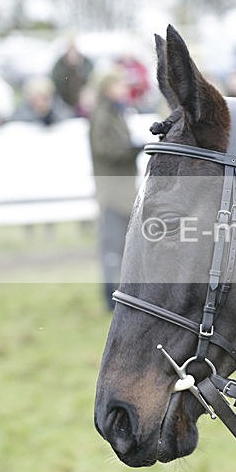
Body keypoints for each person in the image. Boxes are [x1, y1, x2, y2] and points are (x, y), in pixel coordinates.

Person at [88, 69, 141, 310]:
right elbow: (104, 150)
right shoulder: (102, 115)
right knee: (112, 244)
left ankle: (122, 293)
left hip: (123, 187)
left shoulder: (116, 113)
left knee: (122, 243)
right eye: (119, 84)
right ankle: (111, 296)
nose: (123, 89)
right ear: (108, 88)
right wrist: (131, 149)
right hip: (111, 189)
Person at [51, 38, 94, 116]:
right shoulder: (60, 65)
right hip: (65, 101)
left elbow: (91, 80)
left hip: (83, 101)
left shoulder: (86, 63)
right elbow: (57, 83)